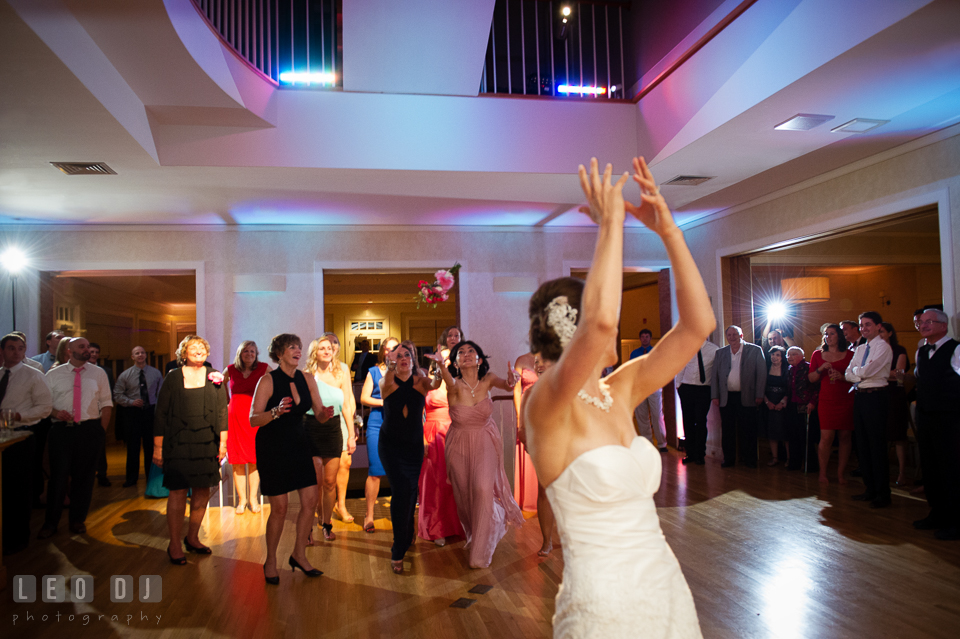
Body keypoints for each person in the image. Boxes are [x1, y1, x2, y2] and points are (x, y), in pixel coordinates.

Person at [523, 157, 713, 637]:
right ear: (574, 330)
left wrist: (670, 232)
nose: (616, 326)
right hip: (603, 603)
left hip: (664, 584)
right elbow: (603, 321)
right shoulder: (546, 404)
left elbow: (697, 327)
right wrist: (611, 223)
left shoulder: (620, 388)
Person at [428, 340, 523, 569]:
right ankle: (478, 532)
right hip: (458, 443)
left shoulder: (488, 380)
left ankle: (479, 555)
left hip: (485, 440)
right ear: (457, 362)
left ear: (479, 359)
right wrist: (441, 365)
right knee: (464, 494)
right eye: (461, 352)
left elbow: (507, 385)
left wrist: (512, 380)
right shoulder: (454, 384)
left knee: (482, 488)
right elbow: (448, 383)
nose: (467, 354)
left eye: (472, 351)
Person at [249, 333, 333, 582]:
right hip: (272, 448)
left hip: (299, 445)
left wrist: (325, 414)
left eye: (299, 347)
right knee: (280, 508)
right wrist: (275, 412)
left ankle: (299, 554)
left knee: (309, 501)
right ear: (279, 354)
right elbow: (254, 419)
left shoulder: (307, 378)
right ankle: (271, 560)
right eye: (291, 348)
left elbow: (318, 413)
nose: (298, 351)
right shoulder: (267, 380)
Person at [152, 336, 227, 563]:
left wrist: (223, 444)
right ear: (183, 353)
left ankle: (192, 538)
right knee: (177, 491)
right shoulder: (173, 377)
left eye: (202, 348)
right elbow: (161, 413)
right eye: (193, 348)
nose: (198, 351)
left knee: (202, 490)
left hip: (207, 442)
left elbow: (223, 412)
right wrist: (157, 448)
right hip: (178, 442)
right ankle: (174, 544)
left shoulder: (214, 376)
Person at [38, 338, 113, 539]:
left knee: (84, 478)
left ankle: (77, 520)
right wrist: (55, 413)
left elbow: (106, 403)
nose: (87, 350)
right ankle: (50, 522)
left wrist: (101, 432)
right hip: (62, 430)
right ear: (69, 351)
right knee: (58, 477)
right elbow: (44, 404)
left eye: (88, 347)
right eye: (82, 347)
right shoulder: (54, 374)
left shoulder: (99, 373)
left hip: (89, 429)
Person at [380, 340, 440, 573]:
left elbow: (436, 383)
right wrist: (391, 366)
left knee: (411, 490)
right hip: (390, 446)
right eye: (398, 355)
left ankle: (407, 531)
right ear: (392, 360)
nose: (403, 358)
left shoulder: (421, 380)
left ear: (413, 359)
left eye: (407, 355)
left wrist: (439, 367)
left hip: (414, 445)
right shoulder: (387, 381)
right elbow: (385, 381)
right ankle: (398, 547)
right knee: (401, 490)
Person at [1, 333, 52, 554]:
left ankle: (19, 537)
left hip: (21, 436)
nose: (16, 352)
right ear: (2, 351)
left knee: (18, 489)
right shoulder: (0, 375)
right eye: (11, 348)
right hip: (1, 439)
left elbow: (44, 407)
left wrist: (20, 416)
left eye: (20, 348)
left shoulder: (33, 375)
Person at [912, 309, 960, 540]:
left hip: (950, 418)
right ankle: (937, 513)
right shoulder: (921, 351)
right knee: (930, 467)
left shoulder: (956, 349)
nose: (923, 325)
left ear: (943, 325)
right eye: (921, 322)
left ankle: (956, 520)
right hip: (926, 417)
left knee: (951, 468)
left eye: (929, 322)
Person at [303, 334, 355, 542]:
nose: (327, 350)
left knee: (330, 481)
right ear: (315, 352)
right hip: (311, 428)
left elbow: (347, 405)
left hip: (334, 429)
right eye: (322, 348)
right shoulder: (307, 374)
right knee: (315, 481)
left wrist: (351, 434)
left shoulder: (341, 373)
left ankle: (327, 524)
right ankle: (307, 527)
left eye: (329, 348)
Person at [418, 331, 465, 546]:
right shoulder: (428, 382)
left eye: (448, 357)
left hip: (454, 432)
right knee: (434, 483)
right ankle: (436, 528)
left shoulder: (458, 381)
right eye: (441, 356)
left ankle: (455, 525)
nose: (444, 360)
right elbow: (419, 413)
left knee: (454, 482)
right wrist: (423, 440)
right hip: (432, 433)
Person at [845, 311, 894, 508]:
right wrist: (858, 373)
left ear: (878, 326)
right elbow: (848, 373)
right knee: (862, 445)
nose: (864, 328)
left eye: (868, 325)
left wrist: (858, 373)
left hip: (876, 397)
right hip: (860, 397)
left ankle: (883, 493)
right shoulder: (860, 348)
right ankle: (870, 488)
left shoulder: (883, 347)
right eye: (862, 325)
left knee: (876, 445)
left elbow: (865, 371)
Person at [515, 352, 556, 556]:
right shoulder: (530, 393)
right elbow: (522, 426)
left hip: (567, 445)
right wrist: (528, 440)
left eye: (544, 361)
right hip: (544, 446)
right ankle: (547, 541)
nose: (539, 365)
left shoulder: (567, 387)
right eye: (537, 362)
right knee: (545, 492)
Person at [359, 336, 399, 532]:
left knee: (399, 471)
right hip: (377, 422)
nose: (390, 351)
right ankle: (369, 515)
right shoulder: (374, 371)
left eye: (395, 348)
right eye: (387, 348)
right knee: (375, 471)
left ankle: (399, 515)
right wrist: (385, 403)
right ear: (383, 351)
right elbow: (364, 398)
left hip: (400, 423)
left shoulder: (405, 370)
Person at [224, 341, 270, 514]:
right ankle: (241, 500)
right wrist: (226, 402)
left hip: (254, 418)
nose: (249, 354)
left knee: (254, 461)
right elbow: (219, 384)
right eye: (245, 351)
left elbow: (277, 382)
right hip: (234, 419)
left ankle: (253, 499)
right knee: (237, 462)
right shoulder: (230, 369)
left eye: (252, 351)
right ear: (239, 353)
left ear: (256, 353)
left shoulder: (264, 368)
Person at [711, 325, 766, 468]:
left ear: (741, 335)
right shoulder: (720, 353)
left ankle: (750, 459)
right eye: (729, 335)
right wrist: (715, 396)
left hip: (747, 396)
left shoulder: (755, 350)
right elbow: (714, 376)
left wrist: (759, 394)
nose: (732, 337)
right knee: (728, 430)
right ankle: (728, 459)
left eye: (735, 334)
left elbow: (761, 374)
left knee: (748, 429)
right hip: (726, 398)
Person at [113, 346, 163, 488]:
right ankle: (131, 478)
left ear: (146, 355)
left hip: (150, 412)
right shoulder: (125, 375)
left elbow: (161, 393)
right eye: (137, 353)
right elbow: (117, 394)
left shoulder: (156, 373)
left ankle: (151, 478)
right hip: (133, 413)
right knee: (132, 447)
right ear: (132, 356)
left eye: (142, 353)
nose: (140, 355)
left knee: (150, 447)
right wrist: (130, 402)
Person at [321, 332, 358, 526]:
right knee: (323, 468)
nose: (332, 346)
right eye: (328, 343)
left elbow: (349, 397)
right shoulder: (311, 369)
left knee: (345, 463)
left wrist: (352, 423)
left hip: (342, 420)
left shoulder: (343, 367)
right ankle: (323, 506)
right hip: (318, 422)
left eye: (335, 343)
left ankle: (341, 505)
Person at [810, 324, 854, 484]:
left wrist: (842, 377)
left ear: (839, 336)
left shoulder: (850, 355)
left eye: (832, 334)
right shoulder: (817, 354)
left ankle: (841, 473)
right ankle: (823, 473)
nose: (828, 337)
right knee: (826, 437)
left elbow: (857, 377)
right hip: (827, 399)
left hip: (846, 399)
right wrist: (820, 369)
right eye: (826, 334)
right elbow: (811, 379)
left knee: (845, 436)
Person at [677, 339, 719, 465]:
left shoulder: (714, 349)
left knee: (701, 421)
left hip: (704, 389)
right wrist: (679, 386)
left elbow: (716, 371)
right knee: (688, 421)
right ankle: (690, 453)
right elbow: (681, 367)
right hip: (687, 388)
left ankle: (700, 454)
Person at [879, 322, 910, 487]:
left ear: (890, 333)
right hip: (880, 393)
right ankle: (882, 472)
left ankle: (902, 473)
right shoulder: (876, 350)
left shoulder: (899, 350)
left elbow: (899, 375)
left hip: (895, 394)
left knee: (898, 435)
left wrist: (876, 373)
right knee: (880, 434)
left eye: (882, 332)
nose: (880, 335)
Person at [630, 329, 668, 451]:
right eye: (643, 336)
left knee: (657, 415)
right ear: (640, 338)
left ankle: (662, 443)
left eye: (647, 336)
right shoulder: (634, 353)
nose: (645, 338)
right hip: (640, 387)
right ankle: (648, 443)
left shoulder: (657, 352)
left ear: (650, 338)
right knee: (642, 416)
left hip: (654, 386)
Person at [784, 346, 818, 472]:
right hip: (792, 405)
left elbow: (816, 387)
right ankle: (794, 463)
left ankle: (811, 465)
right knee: (793, 435)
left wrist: (812, 402)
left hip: (805, 405)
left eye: (793, 354)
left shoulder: (808, 368)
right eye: (788, 354)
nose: (790, 357)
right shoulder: (789, 369)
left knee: (805, 437)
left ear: (801, 356)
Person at [88, 342, 113, 487]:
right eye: (91, 351)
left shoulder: (106, 371)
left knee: (101, 445)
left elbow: (109, 393)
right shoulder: (83, 371)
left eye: (96, 352)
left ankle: (102, 474)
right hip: (86, 413)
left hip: (101, 412)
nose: (94, 354)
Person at [763, 346, 790, 466]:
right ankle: (775, 457)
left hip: (783, 403)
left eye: (778, 355)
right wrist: (767, 402)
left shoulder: (787, 369)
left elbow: (790, 389)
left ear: (782, 357)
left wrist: (782, 402)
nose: (774, 357)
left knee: (785, 431)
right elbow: (761, 386)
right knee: (772, 431)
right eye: (773, 355)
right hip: (769, 402)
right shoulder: (766, 368)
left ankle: (789, 458)